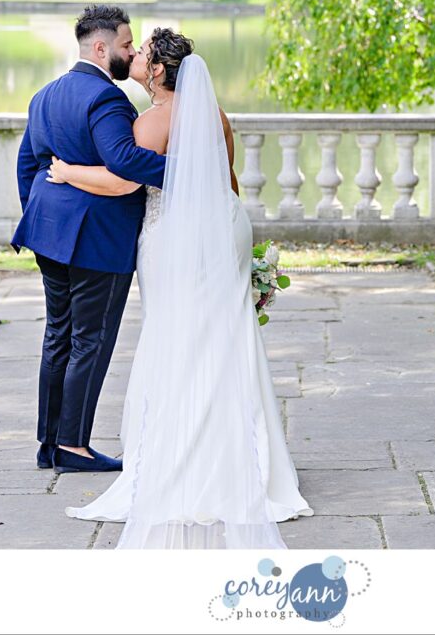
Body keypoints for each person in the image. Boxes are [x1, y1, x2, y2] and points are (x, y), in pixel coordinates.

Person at [50, 28, 313, 548]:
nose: (137, 59)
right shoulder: (215, 116)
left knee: (176, 339)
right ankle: (249, 465)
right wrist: (244, 255)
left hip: (174, 237)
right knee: (228, 337)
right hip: (226, 227)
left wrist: (68, 171)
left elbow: (125, 180)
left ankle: (183, 464)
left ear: (160, 72)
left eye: (143, 54)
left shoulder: (151, 121)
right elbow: (229, 182)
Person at [11, 5, 166, 474]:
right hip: (98, 240)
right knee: (89, 342)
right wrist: (192, 169)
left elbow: (27, 165)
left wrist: (43, 218)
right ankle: (73, 447)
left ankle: (50, 443)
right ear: (100, 48)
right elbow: (123, 159)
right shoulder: (108, 100)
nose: (131, 51)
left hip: (49, 236)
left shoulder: (44, 95)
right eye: (125, 44)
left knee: (58, 335)